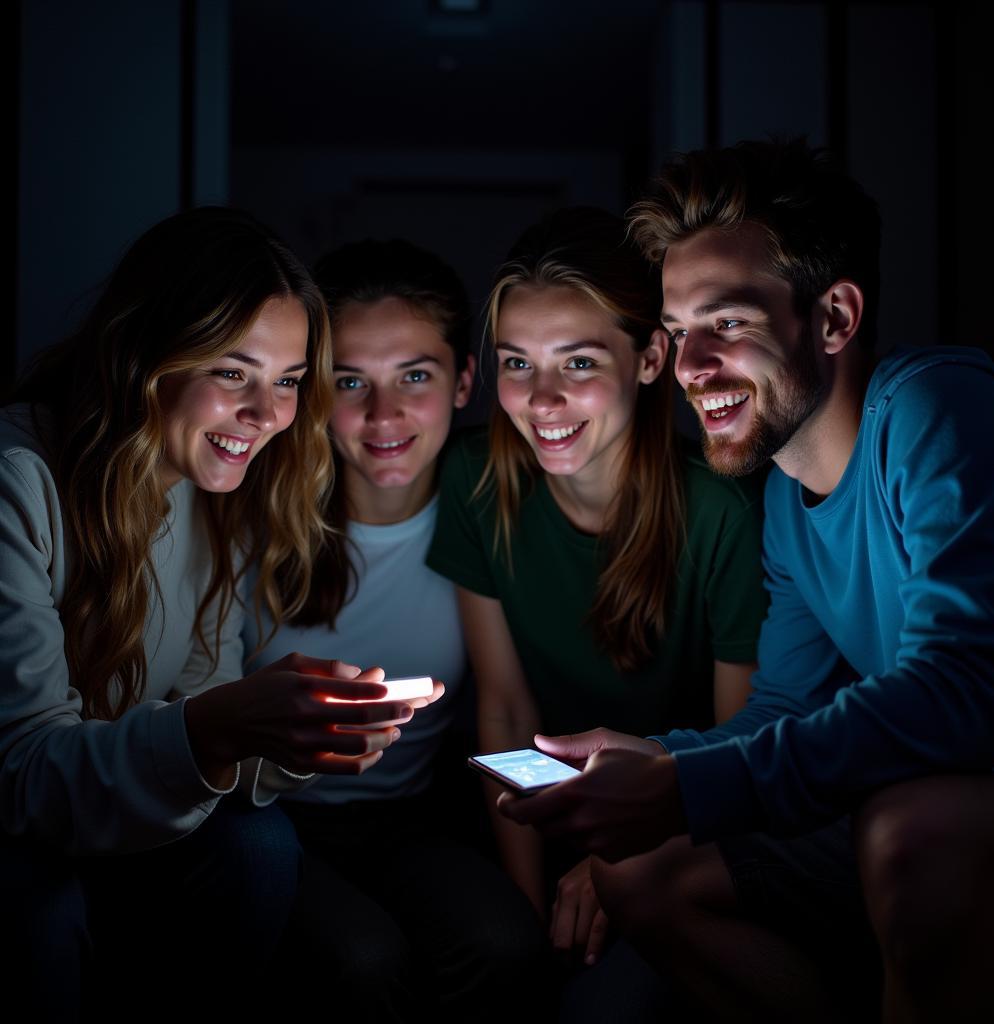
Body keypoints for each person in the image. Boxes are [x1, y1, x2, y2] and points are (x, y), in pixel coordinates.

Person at [499, 140, 994, 1022]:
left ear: (833, 317)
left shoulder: (940, 410)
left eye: (729, 323)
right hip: (941, 785)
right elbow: (785, 707)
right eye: (676, 334)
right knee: (642, 873)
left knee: (912, 828)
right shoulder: (785, 491)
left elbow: (967, 693)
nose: (694, 367)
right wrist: (661, 758)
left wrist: (686, 789)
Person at [0, 209, 437, 1021]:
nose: (269, 414)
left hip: (128, 824)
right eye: (234, 373)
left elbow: (201, 712)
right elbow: (23, 776)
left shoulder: (211, 500)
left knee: (259, 845)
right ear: (147, 357)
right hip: (29, 832)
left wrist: (297, 735)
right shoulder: (20, 482)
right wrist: (219, 729)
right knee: (41, 902)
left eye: (287, 380)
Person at [425, 207, 768, 976]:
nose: (541, 400)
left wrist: (622, 866)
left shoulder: (722, 512)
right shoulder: (477, 481)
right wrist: (527, 904)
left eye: (578, 363)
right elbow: (506, 711)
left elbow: (738, 750)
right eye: (517, 364)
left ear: (649, 359)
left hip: (680, 835)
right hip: (532, 826)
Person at [243, 238, 547, 1022]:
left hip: (408, 820)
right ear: (313, 393)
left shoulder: (486, 513)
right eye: (351, 381)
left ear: (464, 383)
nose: (384, 416)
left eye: (415, 375)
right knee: (363, 960)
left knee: (506, 940)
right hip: (263, 819)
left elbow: (507, 708)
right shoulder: (252, 513)